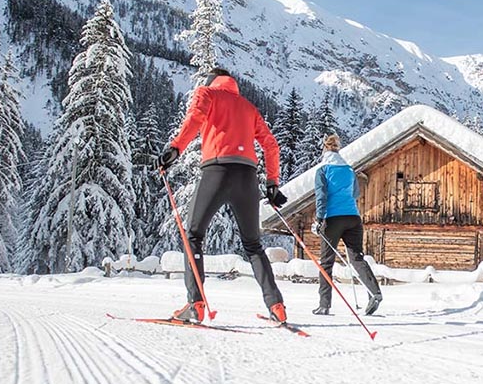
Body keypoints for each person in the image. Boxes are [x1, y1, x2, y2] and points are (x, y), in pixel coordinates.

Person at [156, 68, 289, 323]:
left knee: (193, 235)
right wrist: (272, 183)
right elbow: (271, 144)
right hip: (247, 178)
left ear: (211, 82)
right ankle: (277, 306)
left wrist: (175, 149)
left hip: (217, 170)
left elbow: (195, 116)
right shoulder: (248, 107)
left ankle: (195, 303)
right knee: (253, 245)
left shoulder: (207, 93)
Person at [311, 134, 383, 316]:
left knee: (326, 262)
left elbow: (321, 197)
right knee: (356, 258)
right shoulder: (349, 170)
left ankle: (324, 304)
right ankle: (374, 293)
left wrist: (319, 219)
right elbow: (355, 193)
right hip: (353, 217)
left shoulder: (323, 170)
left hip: (333, 219)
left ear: (324, 149)